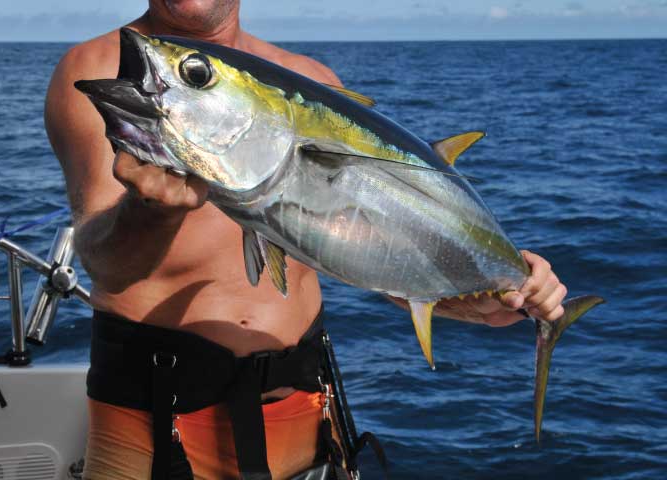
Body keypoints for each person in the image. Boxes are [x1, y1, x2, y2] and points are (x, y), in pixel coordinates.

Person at [44, 1, 568, 478]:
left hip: (310, 424)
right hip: (153, 429)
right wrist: (148, 210)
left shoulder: (313, 78)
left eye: (198, 75)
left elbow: (372, 257)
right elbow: (103, 262)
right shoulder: (99, 69)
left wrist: (481, 303)